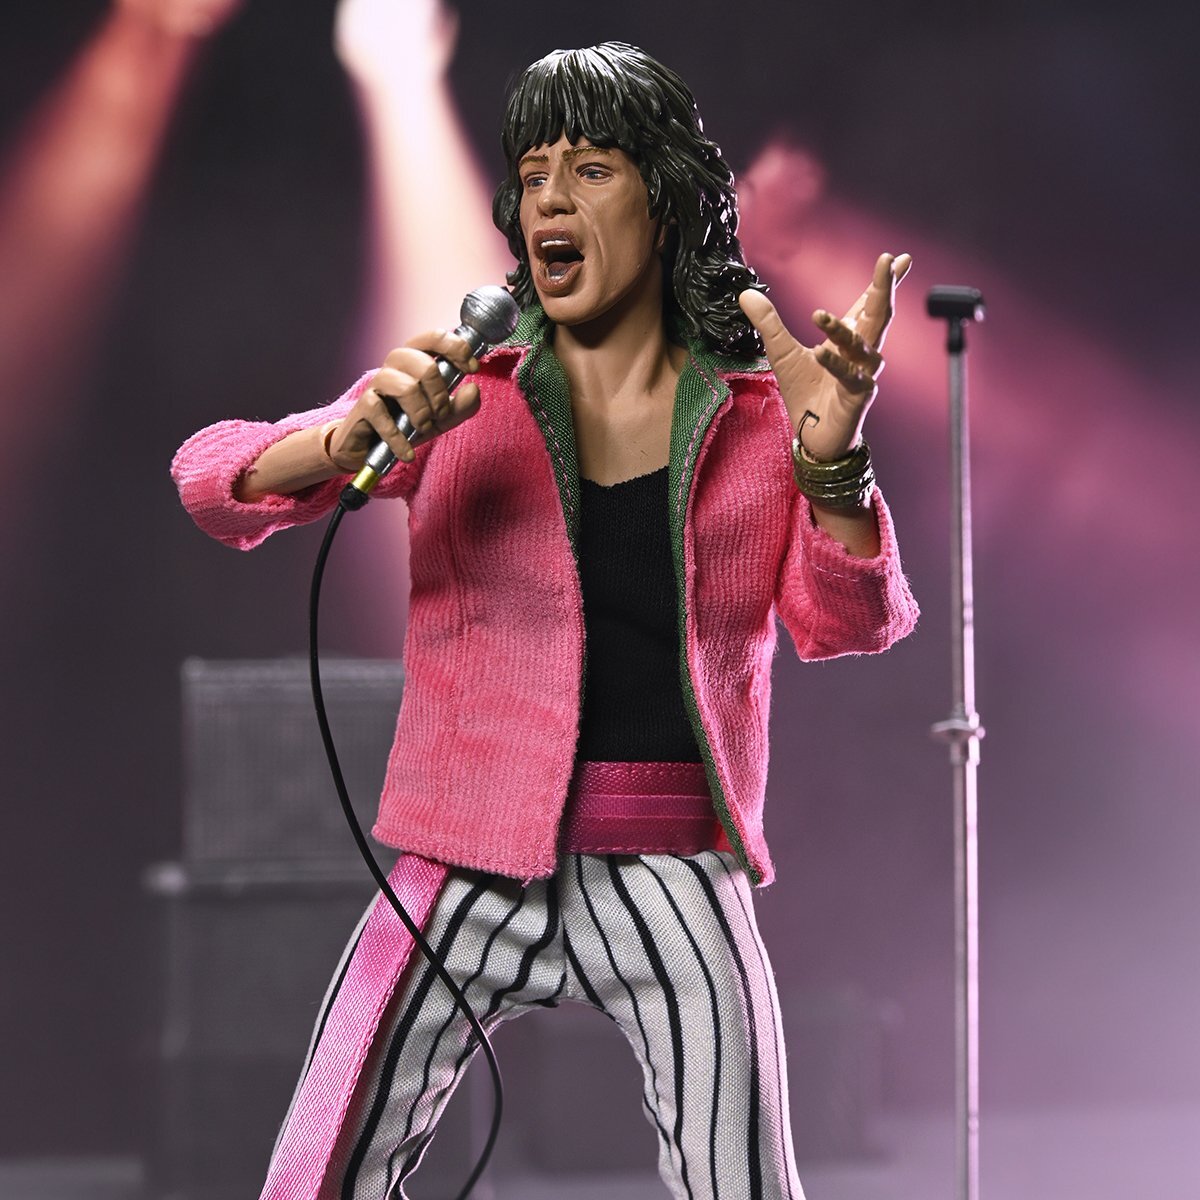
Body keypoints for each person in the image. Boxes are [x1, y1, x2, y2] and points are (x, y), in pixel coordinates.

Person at [172, 40, 918, 1200]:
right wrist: (340, 438)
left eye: (591, 170)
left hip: (670, 857)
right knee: (313, 1176)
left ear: (664, 202)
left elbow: (847, 622)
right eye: (532, 175)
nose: (551, 201)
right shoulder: (468, 387)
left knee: (746, 1184)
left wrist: (831, 466)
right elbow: (210, 481)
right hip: (462, 855)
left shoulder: (758, 411)